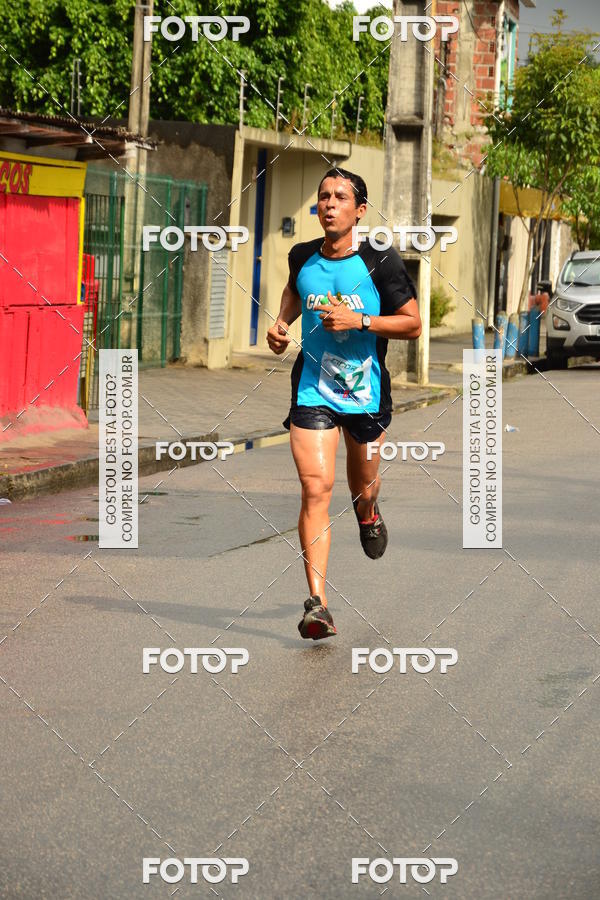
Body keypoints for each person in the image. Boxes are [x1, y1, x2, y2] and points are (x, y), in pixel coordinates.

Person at [266, 168, 421, 641]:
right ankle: (318, 604)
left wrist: (360, 319)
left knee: (362, 486)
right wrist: (280, 323)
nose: (329, 204)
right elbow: (295, 290)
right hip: (313, 389)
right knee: (316, 489)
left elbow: (412, 323)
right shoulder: (301, 256)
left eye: (340, 197)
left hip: (365, 395)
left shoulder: (380, 261)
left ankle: (368, 514)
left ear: (359, 211)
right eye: (323, 197)